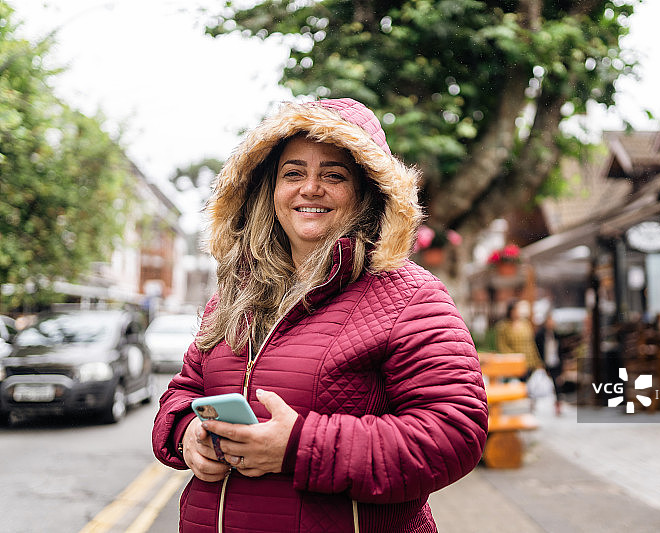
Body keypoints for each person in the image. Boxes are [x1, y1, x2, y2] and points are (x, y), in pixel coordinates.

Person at [151, 98, 488, 533]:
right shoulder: (232, 298)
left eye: (333, 174)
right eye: (293, 173)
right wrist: (186, 436)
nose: (310, 188)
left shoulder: (411, 296)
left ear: (367, 191)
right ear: (267, 191)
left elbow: (454, 434)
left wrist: (299, 447)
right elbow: (182, 394)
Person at [495, 299, 542, 379]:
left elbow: (531, 345)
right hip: (514, 366)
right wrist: (517, 357)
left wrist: (538, 362)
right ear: (510, 311)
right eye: (515, 310)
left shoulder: (525, 324)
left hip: (529, 364)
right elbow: (502, 347)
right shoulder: (503, 327)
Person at [535, 312, 564, 415]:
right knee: (537, 384)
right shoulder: (540, 335)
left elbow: (561, 351)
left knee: (557, 384)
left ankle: (558, 404)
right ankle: (533, 402)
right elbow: (537, 349)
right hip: (544, 362)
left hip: (555, 362)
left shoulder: (556, 334)